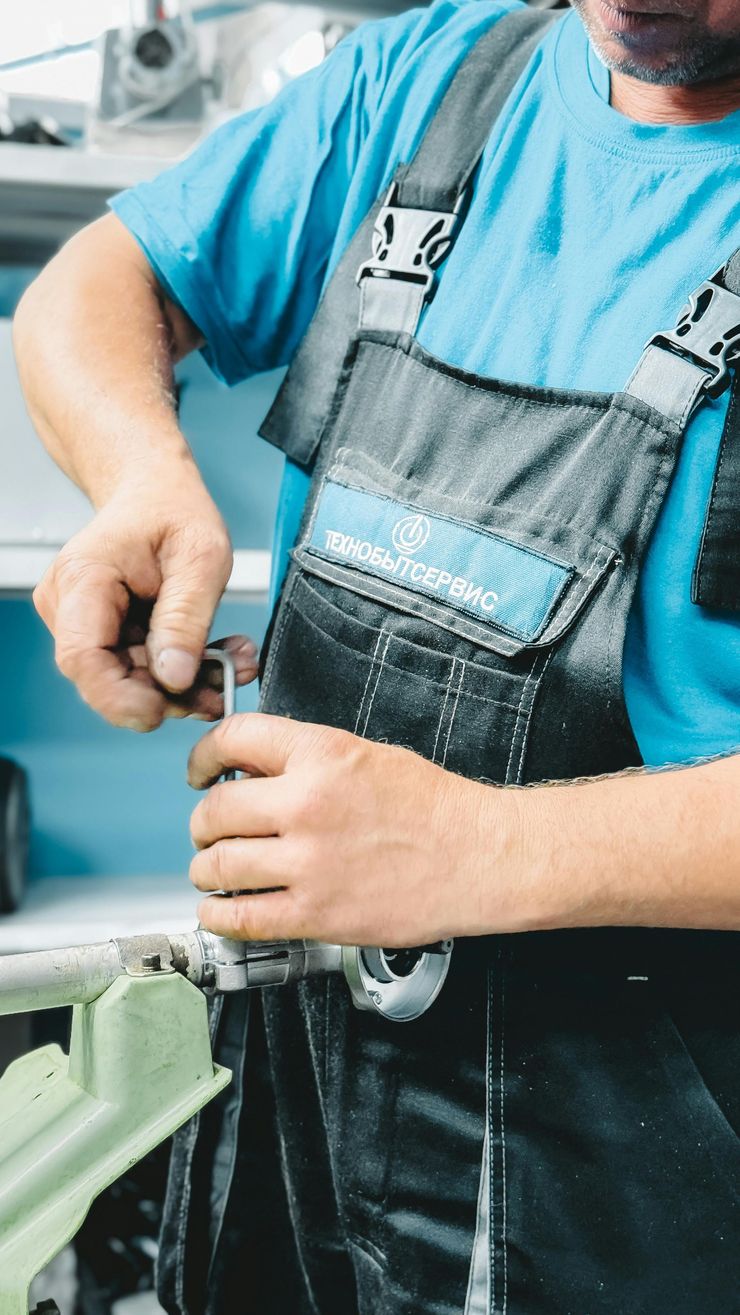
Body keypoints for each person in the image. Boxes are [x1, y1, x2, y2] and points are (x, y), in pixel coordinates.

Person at [13, 0, 740, 1310]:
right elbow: (98, 283)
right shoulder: (429, 85)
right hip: (297, 1112)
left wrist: (489, 854)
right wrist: (139, 482)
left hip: (655, 1189)